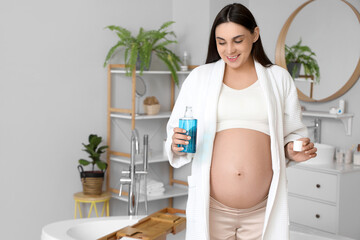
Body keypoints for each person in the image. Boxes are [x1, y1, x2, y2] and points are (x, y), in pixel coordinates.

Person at [165, 3, 317, 240]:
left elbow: (292, 133)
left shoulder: (278, 78)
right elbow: (175, 132)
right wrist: (175, 144)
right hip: (212, 209)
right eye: (221, 41)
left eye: (238, 40)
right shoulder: (199, 78)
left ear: (255, 34)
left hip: (262, 210)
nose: (229, 50)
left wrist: (292, 150)